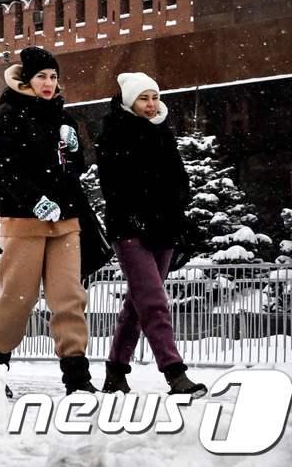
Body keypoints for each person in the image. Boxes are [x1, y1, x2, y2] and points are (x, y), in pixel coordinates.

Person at [0, 46, 95, 394]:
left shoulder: (63, 118)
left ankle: (78, 378)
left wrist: (75, 151)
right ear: (26, 79)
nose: (49, 83)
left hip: (66, 221)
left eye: (53, 77)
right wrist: (35, 201)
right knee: (17, 298)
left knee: (69, 298)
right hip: (23, 221)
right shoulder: (9, 114)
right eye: (42, 76)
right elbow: (4, 168)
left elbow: (77, 168)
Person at [94, 72, 207, 397]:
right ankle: (174, 373)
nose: (151, 104)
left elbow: (179, 179)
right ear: (130, 100)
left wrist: (176, 212)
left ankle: (116, 371)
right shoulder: (114, 132)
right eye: (144, 98)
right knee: (154, 302)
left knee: (137, 303)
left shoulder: (163, 132)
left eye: (154, 97)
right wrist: (137, 215)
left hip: (164, 227)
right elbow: (113, 185)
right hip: (130, 228)